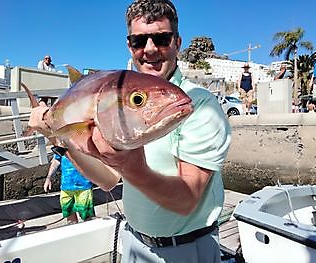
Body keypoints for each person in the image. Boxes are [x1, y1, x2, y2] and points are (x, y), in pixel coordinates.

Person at [28, 1, 231, 262]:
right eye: (139, 41)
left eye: (161, 38)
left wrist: (132, 167)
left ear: (177, 43)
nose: (149, 49)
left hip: (186, 249)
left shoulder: (200, 105)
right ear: (129, 46)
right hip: (134, 244)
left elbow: (187, 200)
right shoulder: (118, 116)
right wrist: (59, 139)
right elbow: (107, 180)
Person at [44, 150, 95, 224]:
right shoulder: (60, 146)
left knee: (87, 217)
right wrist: (48, 178)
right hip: (66, 187)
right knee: (69, 216)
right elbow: (56, 161)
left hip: (84, 186)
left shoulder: (81, 144)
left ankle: (92, 233)